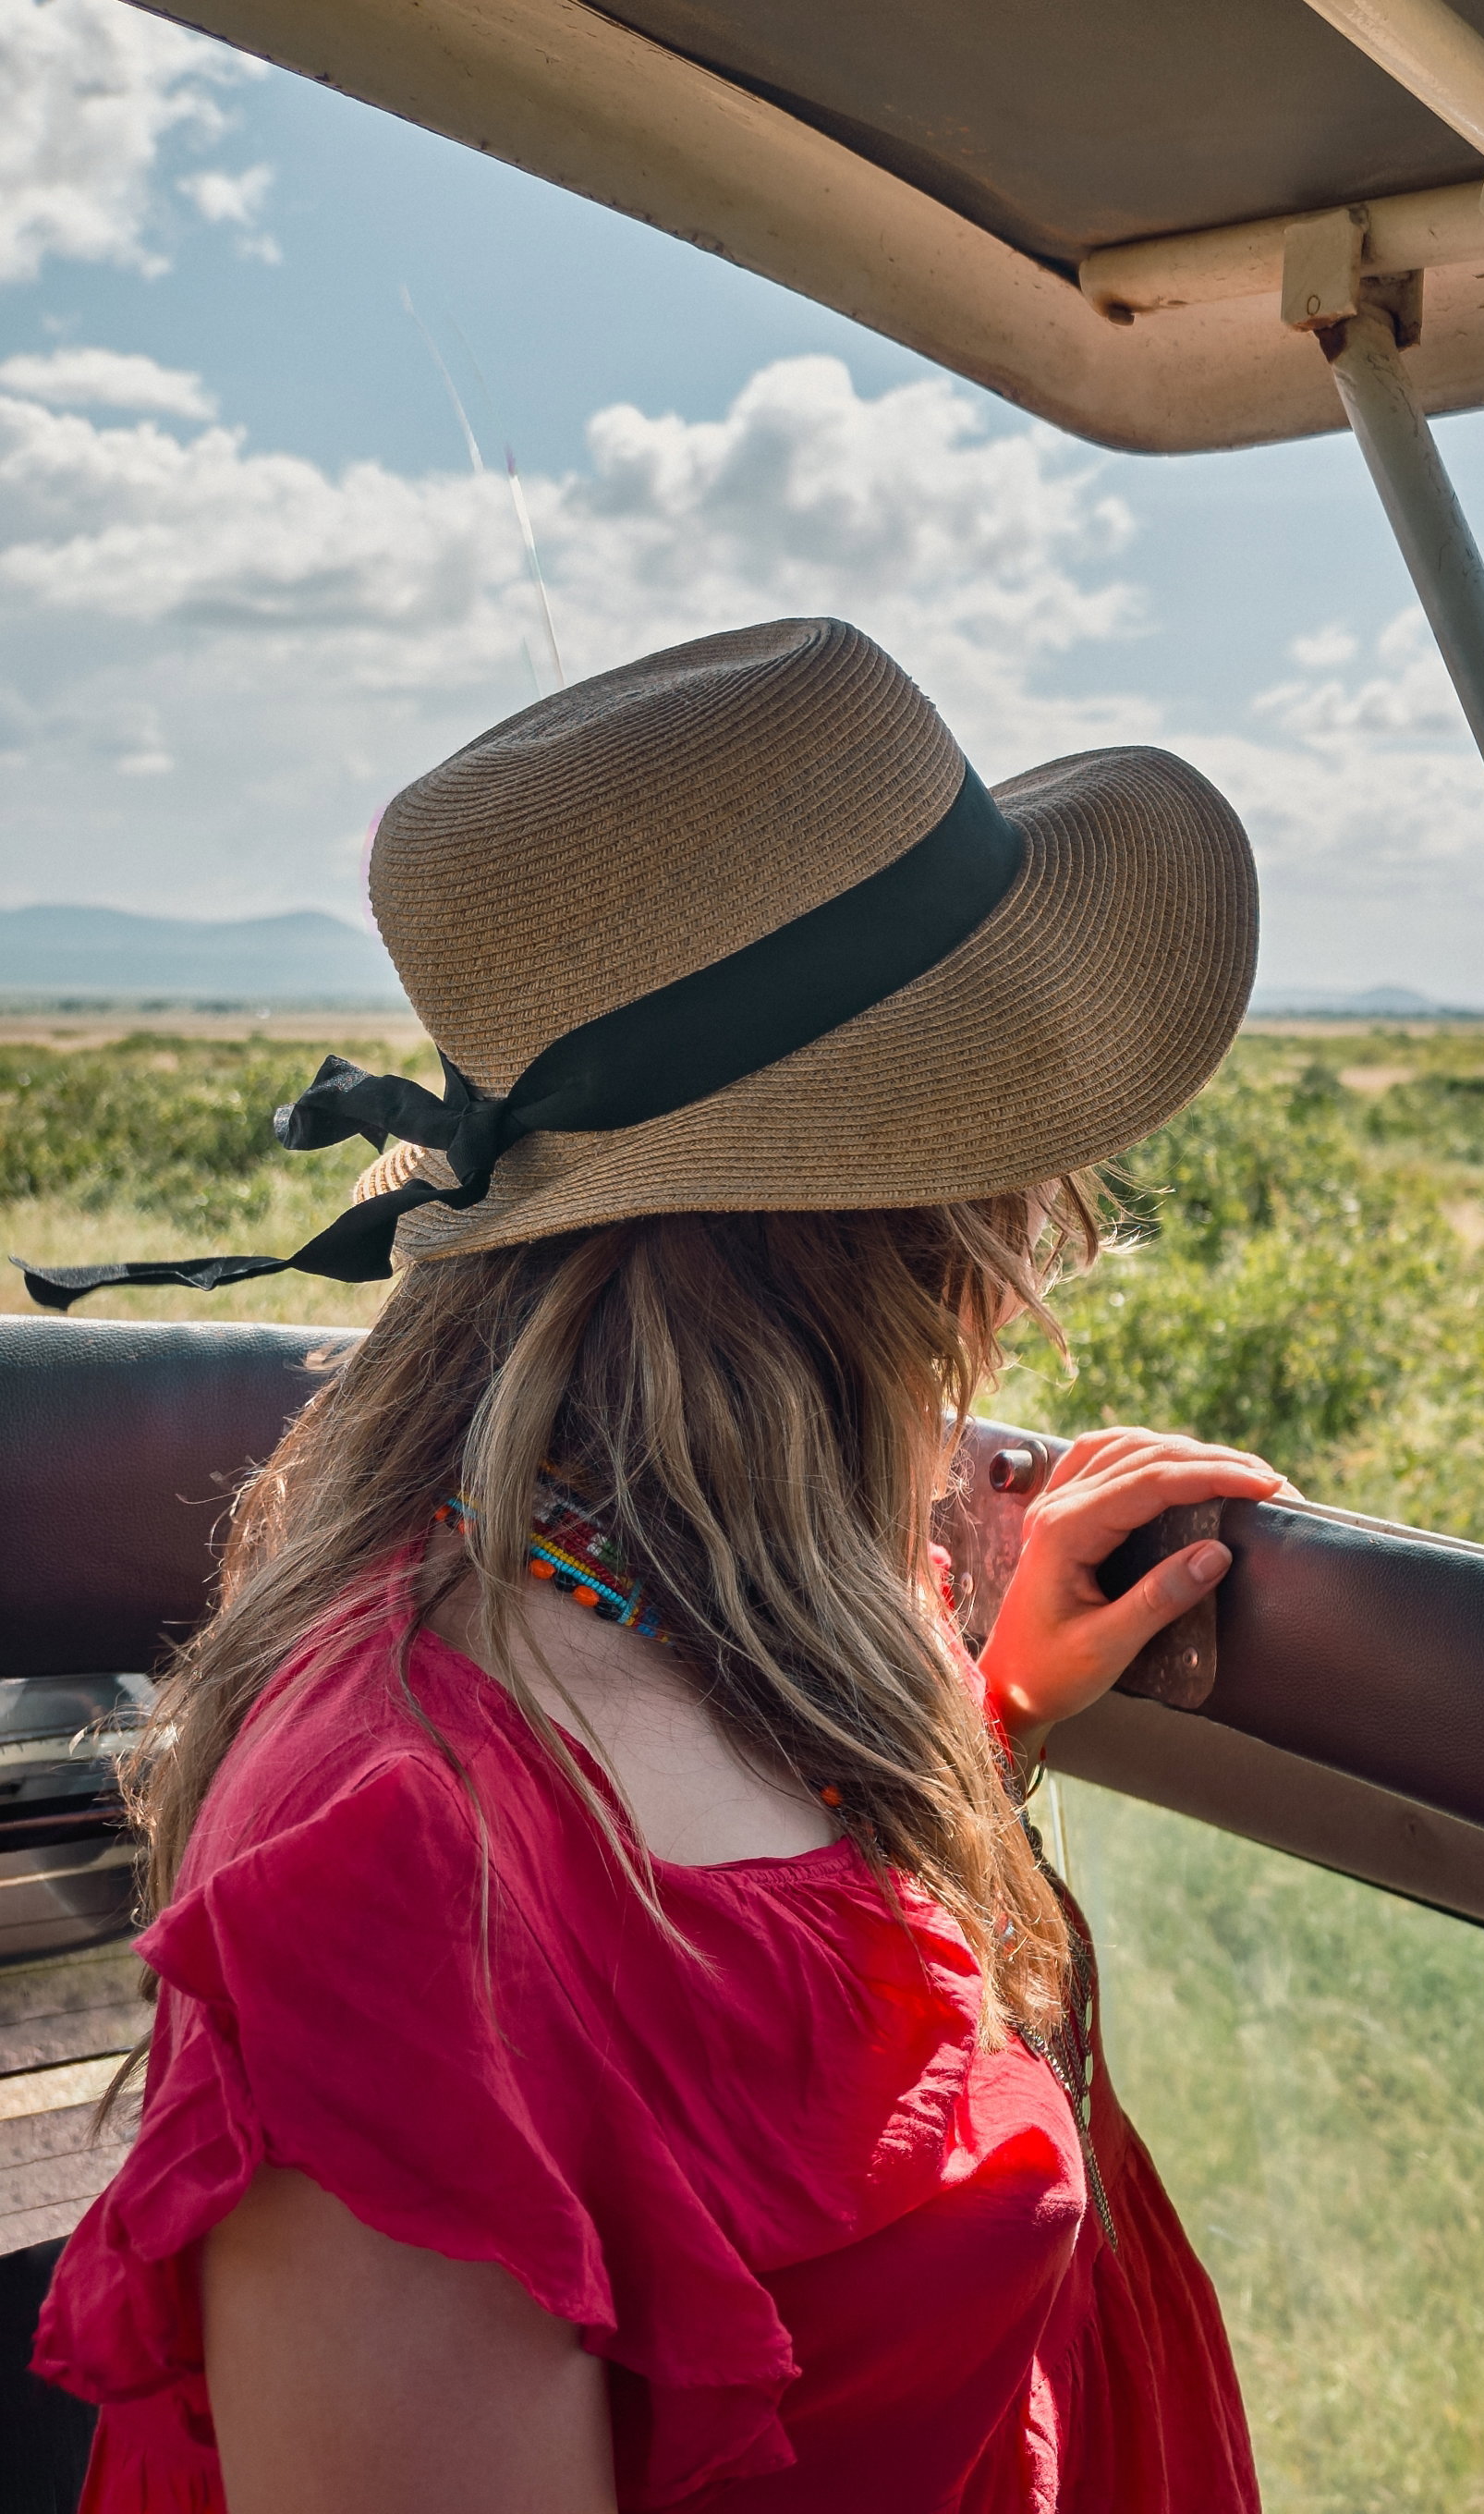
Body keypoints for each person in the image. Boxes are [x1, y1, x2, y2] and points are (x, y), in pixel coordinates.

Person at [29, 617, 1277, 2510]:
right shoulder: (409, 1883)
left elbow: (754, 2096)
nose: (1048, 1234)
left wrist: (975, 1716)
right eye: (1028, 1157)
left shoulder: (673, 1624)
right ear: (924, 1220)